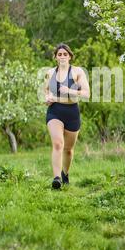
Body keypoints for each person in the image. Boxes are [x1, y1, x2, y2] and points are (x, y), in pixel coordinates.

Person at [43, 43, 90, 189]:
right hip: (55, 111)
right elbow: (45, 91)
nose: (62, 56)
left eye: (65, 54)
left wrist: (70, 90)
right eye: (59, 54)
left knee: (68, 150)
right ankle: (56, 178)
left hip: (72, 113)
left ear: (69, 56)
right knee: (58, 144)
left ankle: (65, 173)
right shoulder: (50, 73)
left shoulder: (77, 72)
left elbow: (87, 94)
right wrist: (47, 97)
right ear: (55, 57)